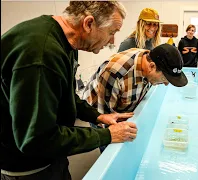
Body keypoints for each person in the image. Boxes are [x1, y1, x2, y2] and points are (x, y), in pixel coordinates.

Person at [1, 2, 138, 179]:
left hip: (52, 157)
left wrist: (97, 116)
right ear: (88, 24)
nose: (112, 41)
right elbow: (36, 139)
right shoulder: (42, 55)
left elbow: (64, 95)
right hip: (28, 169)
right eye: (112, 32)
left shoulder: (66, 42)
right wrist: (106, 135)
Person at [82, 44, 188, 152]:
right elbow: (104, 116)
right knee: (110, 146)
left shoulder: (151, 59)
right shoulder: (115, 73)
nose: (165, 84)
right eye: (164, 78)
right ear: (151, 67)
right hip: (98, 106)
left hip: (121, 101)